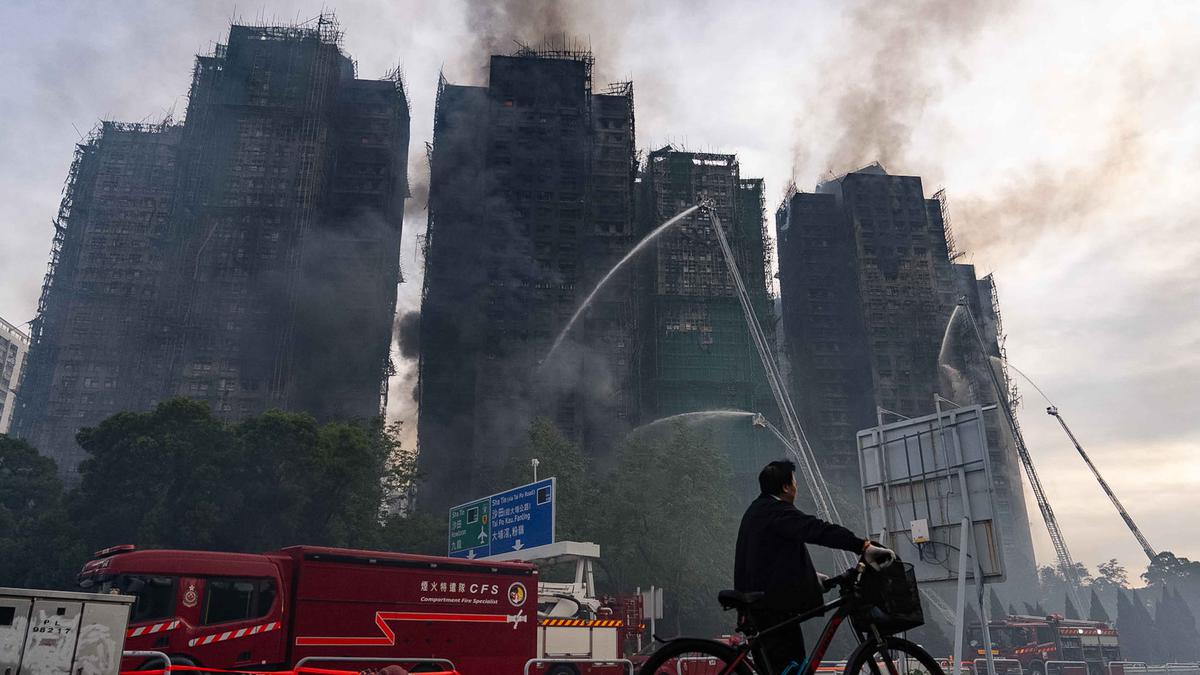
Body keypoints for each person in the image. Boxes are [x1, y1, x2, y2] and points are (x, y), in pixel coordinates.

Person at [734, 460, 896, 673]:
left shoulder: (757, 510)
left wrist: (809, 575)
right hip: (773, 607)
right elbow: (816, 529)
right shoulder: (778, 511)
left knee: (779, 669)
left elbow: (769, 559)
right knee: (791, 666)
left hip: (760, 602)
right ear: (785, 486)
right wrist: (863, 546)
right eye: (794, 482)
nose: (795, 487)